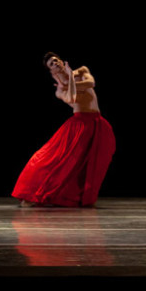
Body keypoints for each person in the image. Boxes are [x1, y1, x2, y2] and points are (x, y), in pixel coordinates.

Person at [12, 53, 116, 207]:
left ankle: (78, 196)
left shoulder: (81, 72)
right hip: (79, 125)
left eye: (56, 60)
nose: (55, 63)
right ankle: (30, 193)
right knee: (57, 159)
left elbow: (91, 83)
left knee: (91, 161)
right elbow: (72, 98)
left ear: (62, 61)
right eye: (51, 64)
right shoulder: (59, 91)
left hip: (97, 123)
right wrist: (68, 84)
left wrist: (70, 81)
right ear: (52, 72)